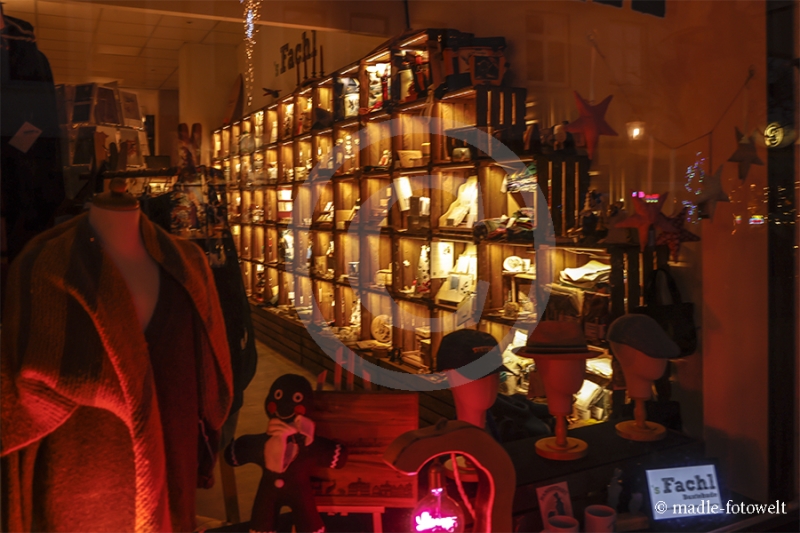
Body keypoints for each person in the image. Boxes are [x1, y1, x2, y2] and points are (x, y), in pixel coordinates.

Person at [1, 179, 233, 532]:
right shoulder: (42, 268)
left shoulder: (189, 265)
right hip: (81, 494)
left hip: (174, 472)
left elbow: (206, 384)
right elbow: (20, 407)